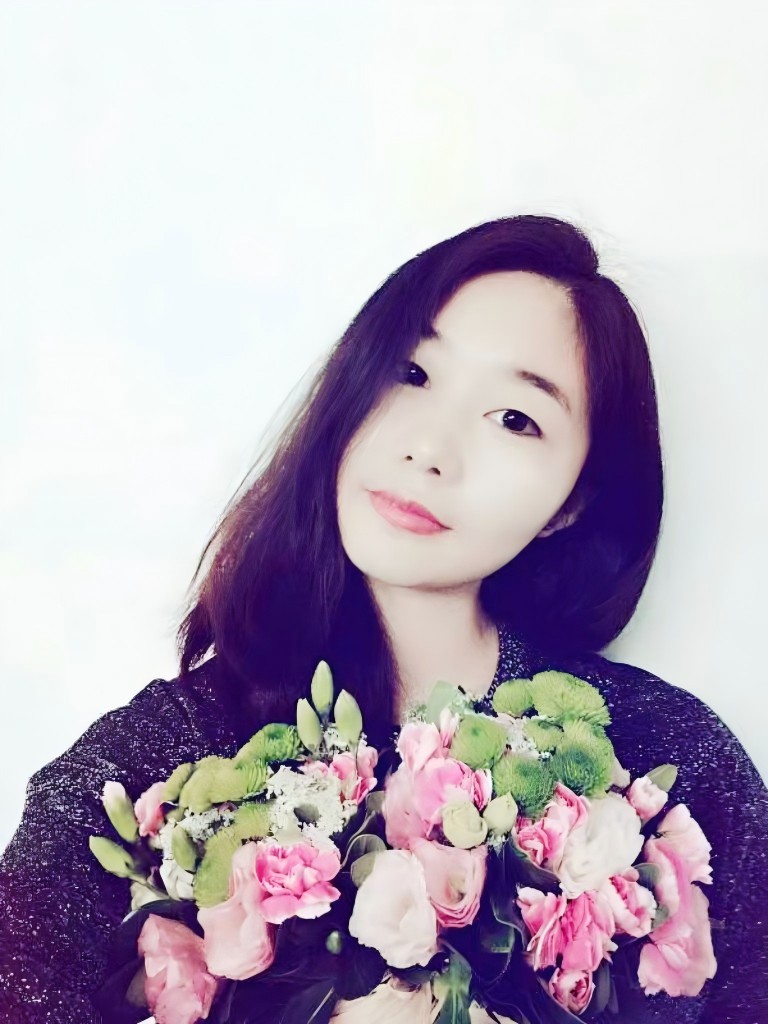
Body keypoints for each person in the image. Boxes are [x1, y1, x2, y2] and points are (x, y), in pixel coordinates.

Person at [0, 215, 765, 1023]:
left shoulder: (667, 762)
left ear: (571, 503)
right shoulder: (167, 761)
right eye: (412, 372)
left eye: (515, 418)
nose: (430, 448)